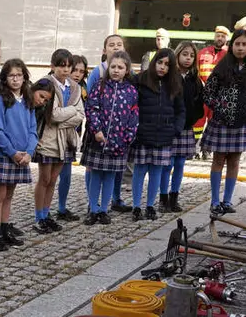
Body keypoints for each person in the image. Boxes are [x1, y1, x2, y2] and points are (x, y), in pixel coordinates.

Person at [202, 29, 246, 215]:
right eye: (237, 44)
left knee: (234, 160)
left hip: (243, 123)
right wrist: (221, 108)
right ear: (231, 46)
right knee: (219, 159)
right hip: (221, 122)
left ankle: (227, 200)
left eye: (244, 44)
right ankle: (215, 201)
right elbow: (208, 93)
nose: (240, 48)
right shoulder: (222, 67)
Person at [0, 59, 39, 249]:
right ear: (5, 78)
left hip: (22, 156)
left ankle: (5, 228)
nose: (15, 79)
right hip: (4, 155)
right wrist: (12, 152)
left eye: (19, 75)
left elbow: (33, 129)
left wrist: (29, 152)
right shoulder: (0, 100)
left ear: (25, 77)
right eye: (11, 75)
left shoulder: (27, 100)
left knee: (10, 194)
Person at [83, 50, 138, 224]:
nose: (116, 70)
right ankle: (93, 209)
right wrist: (96, 130)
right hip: (99, 140)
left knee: (110, 176)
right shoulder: (100, 86)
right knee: (96, 175)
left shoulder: (131, 91)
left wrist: (128, 137)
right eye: (113, 66)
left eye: (120, 67)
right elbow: (91, 109)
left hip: (119, 142)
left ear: (126, 70)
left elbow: (134, 116)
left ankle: (104, 210)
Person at [130, 49, 185, 221]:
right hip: (143, 135)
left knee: (157, 172)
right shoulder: (141, 80)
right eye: (160, 62)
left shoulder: (174, 84)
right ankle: (136, 206)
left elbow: (181, 110)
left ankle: (150, 206)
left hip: (164, 137)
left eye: (167, 65)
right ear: (154, 62)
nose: (162, 67)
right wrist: (135, 127)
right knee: (139, 171)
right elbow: (132, 106)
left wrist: (175, 129)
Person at [33, 50, 84, 231]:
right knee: (44, 178)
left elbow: (81, 115)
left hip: (66, 140)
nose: (66, 69)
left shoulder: (75, 87)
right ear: (53, 66)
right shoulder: (47, 84)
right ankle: (39, 216)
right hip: (47, 139)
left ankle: (46, 214)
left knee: (54, 179)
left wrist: (68, 115)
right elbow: (52, 115)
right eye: (61, 65)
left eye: (68, 66)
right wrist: (72, 111)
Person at [159, 41, 204, 213]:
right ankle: (163, 198)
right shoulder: (170, 77)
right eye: (185, 54)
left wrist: (192, 118)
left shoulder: (195, 80)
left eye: (192, 56)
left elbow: (199, 104)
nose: (188, 58)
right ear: (177, 55)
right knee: (167, 164)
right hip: (170, 127)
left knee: (180, 164)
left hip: (186, 128)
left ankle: (174, 197)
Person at [195, 27, 229, 148]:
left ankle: (209, 149)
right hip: (202, 94)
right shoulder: (202, 52)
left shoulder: (230, 54)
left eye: (223, 36)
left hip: (219, 96)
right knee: (198, 121)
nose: (220, 38)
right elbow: (195, 72)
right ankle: (195, 147)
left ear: (227, 38)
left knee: (215, 122)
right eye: (218, 35)